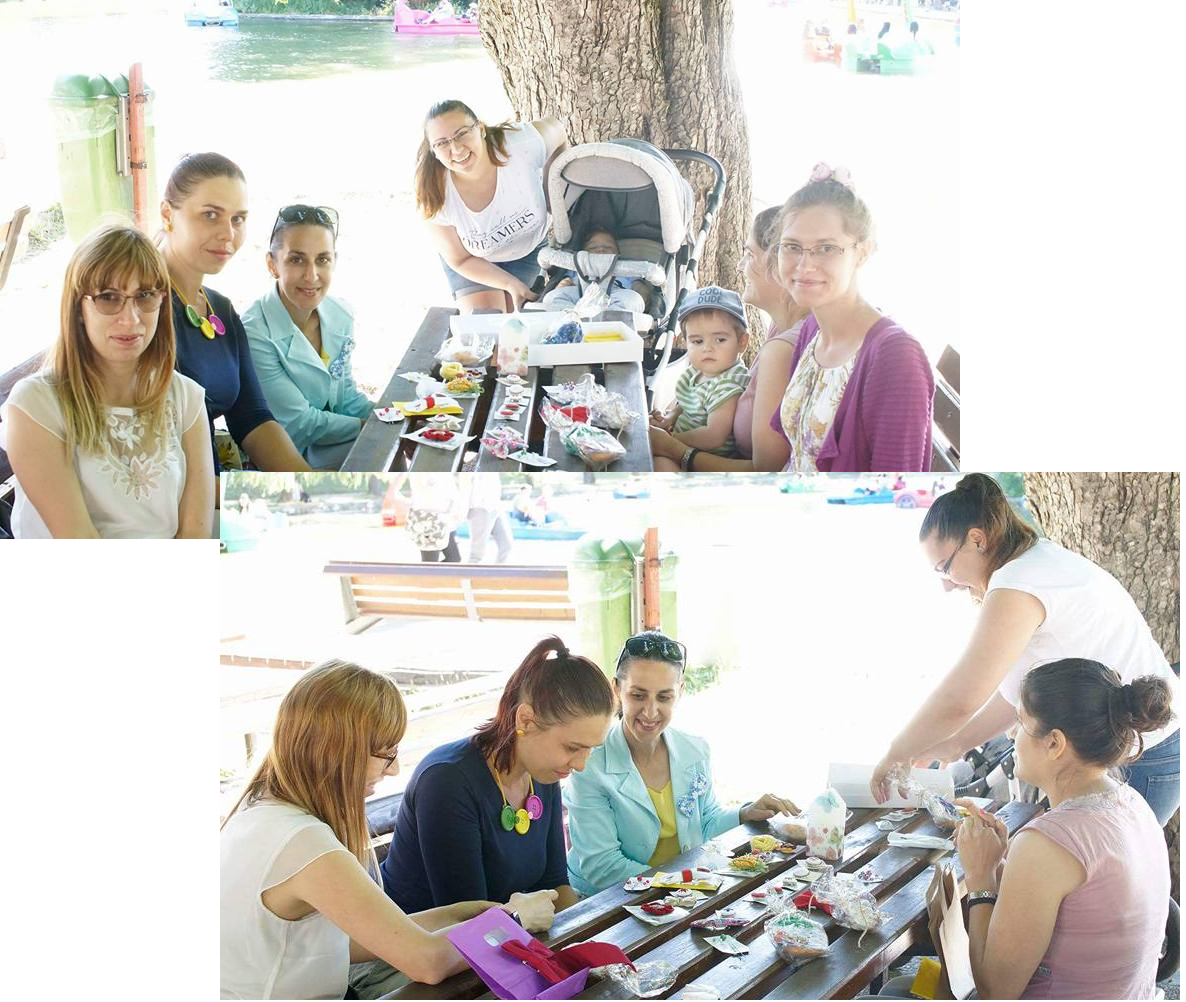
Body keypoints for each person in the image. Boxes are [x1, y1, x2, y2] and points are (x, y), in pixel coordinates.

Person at [871, 473, 1180, 824]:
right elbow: (1016, 693)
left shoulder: (1018, 583)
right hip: (1140, 748)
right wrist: (956, 744)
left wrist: (897, 752)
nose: (947, 585)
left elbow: (961, 697)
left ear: (977, 540)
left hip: (1143, 755)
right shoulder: (1035, 561)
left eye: (945, 568)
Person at [220, 659, 521, 1000]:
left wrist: (459, 913)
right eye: (386, 753)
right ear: (337, 751)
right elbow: (428, 962)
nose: (394, 770)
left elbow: (345, 940)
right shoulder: (304, 843)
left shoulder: (259, 809)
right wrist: (514, 920)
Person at [949, 660, 1172, 999]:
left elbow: (996, 992)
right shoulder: (1134, 804)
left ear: (1054, 743)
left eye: (1021, 723)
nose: (1010, 735)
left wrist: (980, 879)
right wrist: (997, 864)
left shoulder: (1045, 844)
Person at [1, 225, 213, 538]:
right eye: (108, 298)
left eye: (144, 296)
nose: (131, 319)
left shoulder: (187, 398)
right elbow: (80, 544)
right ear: (78, 308)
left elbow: (194, 537)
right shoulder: (35, 405)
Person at [379, 636, 614, 917]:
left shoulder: (543, 772)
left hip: (502, 930)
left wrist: (584, 933)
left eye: (590, 749)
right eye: (572, 748)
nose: (581, 764)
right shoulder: (447, 782)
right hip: (422, 938)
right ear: (525, 720)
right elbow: (467, 918)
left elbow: (554, 885)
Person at [565, 631, 798, 895]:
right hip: (608, 900)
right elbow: (603, 866)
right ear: (616, 689)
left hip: (677, 894)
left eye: (664, 697)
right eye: (638, 695)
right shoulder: (590, 763)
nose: (650, 712)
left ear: (681, 692)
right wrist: (683, 884)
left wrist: (745, 813)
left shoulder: (694, 750)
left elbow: (706, 823)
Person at [768, 163, 934, 472]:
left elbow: (895, 492)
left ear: (863, 252)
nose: (804, 265)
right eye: (792, 246)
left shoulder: (896, 357)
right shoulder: (813, 330)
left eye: (826, 248)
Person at [158, 152, 310, 480]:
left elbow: (252, 419)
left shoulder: (220, 309)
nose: (228, 233)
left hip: (211, 490)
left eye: (238, 219)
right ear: (168, 214)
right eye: (210, 215)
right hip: (171, 500)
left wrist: (308, 485)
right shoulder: (142, 312)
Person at [650, 207, 810, 472]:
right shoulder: (780, 326)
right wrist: (671, 419)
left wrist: (672, 447)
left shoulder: (784, 348)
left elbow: (766, 472)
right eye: (697, 341)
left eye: (750, 254)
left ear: (779, 264)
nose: (740, 265)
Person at [243, 204, 373, 471]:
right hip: (283, 460)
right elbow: (298, 423)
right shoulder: (254, 333)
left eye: (322, 259)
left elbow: (345, 397)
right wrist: (372, 428)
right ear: (272, 264)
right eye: (296, 259)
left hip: (327, 444)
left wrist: (394, 418)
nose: (311, 275)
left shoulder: (340, 314)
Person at [414, 100, 568, 313]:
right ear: (433, 150)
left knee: (517, 323)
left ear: (480, 129)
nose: (456, 149)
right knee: (487, 324)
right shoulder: (432, 192)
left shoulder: (522, 144)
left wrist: (553, 195)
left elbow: (558, 130)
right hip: (472, 261)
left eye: (462, 134)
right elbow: (460, 259)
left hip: (527, 249)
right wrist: (510, 284)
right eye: (442, 143)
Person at [650, 287, 751, 471]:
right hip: (683, 444)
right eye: (697, 341)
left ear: (742, 342)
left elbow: (714, 436)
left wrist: (669, 441)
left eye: (720, 340)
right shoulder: (698, 371)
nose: (707, 348)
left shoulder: (729, 384)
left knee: (657, 465)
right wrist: (669, 418)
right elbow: (685, 403)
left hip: (707, 461)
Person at [541, 227, 648, 313]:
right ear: (581, 253)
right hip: (579, 295)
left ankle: (610, 318)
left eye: (608, 247)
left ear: (618, 254)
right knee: (552, 297)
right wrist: (562, 286)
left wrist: (641, 294)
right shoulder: (576, 265)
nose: (601, 249)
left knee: (633, 299)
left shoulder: (625, 267)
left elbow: (639, 286)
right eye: (593, 248)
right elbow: (565, 282)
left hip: (615, 294)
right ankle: (569, 318)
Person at [406, 473, 465, 562]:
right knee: (431, 562)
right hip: (429, 519)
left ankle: (433, 571)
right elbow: (423, 488)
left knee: (454, 559)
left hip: (444, 519)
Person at [466, 473, 513, 563]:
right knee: (477, 554)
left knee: (506, 546)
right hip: (479, 506)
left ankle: (498, 572)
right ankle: (472, 572)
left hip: (495, 504)